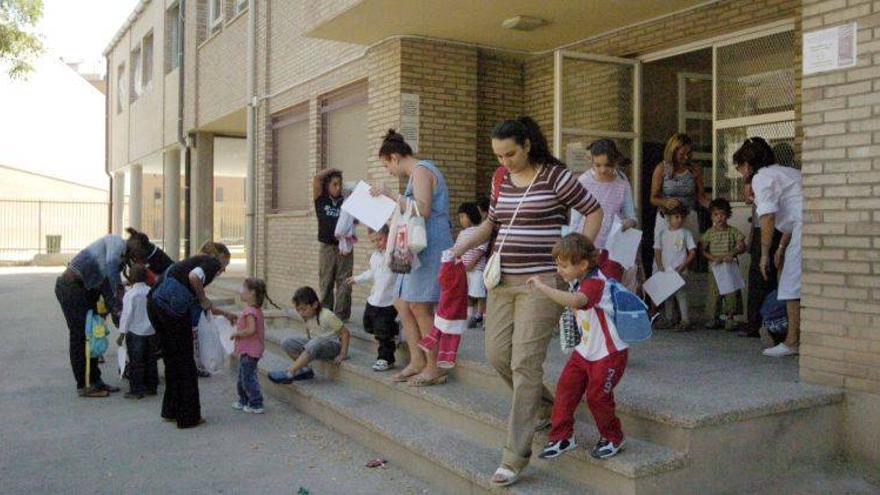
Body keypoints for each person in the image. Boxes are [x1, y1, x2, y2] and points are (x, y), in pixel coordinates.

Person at [450, 117, 603, 487]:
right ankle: (550, 406)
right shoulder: (500, 179)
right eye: (499, 155)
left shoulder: (554, 176)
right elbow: (492, 224)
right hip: (500, 282)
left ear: (528, 144)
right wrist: (462, 244)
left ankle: (514, 456)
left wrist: (579, 257)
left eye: (511, 153)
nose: (505, 162)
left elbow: (593, 210)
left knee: (524, 363)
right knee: (497, 354)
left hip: (541, 284)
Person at [530, 234, 628, 461]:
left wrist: (542, 288)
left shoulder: (595, 282)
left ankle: (613, 437)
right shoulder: (579, 276)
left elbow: (576, 301)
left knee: (597, 396)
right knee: (565, 389)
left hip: (608, 353)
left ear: (582, 265)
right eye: (558, 264)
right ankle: (562, 436)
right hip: (584, 351)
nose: (560, 269)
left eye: (563, 265)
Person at [370, 129, 455, 387]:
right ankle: (418, 360)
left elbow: (423, 209)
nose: (388, 171)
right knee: (401, 302)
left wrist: (391, 195)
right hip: (415, 247)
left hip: (429, 246)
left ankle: (434, 366)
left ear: (395, 157)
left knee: (420, 305)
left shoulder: (421, 171)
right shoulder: (415, 174)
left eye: (387, 165)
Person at [146, 241, 235, 428]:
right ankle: (188, 417)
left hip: (155, 305)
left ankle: (170, 410)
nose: (223, 270)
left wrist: (221, 311)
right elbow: (194, 278)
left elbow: (194, 297)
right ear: (220, 256)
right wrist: (204, 298)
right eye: (225, 264)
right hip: (172, 311)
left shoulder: (191, 260)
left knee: (172, 361)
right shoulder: (211, 263)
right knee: (186, 364)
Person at [734, 137, 802, 357]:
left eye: (740, 167)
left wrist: (764, 254)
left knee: (791, 285)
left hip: (804, 228)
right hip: (809, 226)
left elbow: (768, 217)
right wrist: (781, 247)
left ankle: (793, 341)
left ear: (748, 164)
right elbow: (792, 213)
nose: (741, 172)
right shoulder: (786, 172)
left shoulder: (761, 177)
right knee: (795, 281)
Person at [55, 234, 128, 397]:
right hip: (71, 288)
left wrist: (119, 313)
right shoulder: (116, 243)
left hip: (84, 291)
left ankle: (96, 380)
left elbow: (106, 289)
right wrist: (120, 291)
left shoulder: (108, 260)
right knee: (82, 338)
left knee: (94, 335)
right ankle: (85, 385)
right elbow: (111, 270)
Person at [569, 139, 638, 282]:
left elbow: (632, 217)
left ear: (615, 162)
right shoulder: (583, 181)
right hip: (586, 249)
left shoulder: (622, 184)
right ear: (591, 161)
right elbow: (575, 221)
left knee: (609, 294)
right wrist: (571, 249)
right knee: (586, 295)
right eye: (597, 165)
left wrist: (625, 224)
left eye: (608, 165)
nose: (602, 170)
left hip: (613, 251)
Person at [268, 287, 351, 383]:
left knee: (313, 343)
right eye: (298, 310)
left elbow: (345, 333)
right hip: (316, 344)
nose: (301, 313)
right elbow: (309, 333)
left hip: (333, 346)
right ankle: (306, 370)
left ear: (315, 304)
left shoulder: (327, 315)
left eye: (303, 309)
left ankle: (290, 372)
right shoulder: (307, 316)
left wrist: (343, 353)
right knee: (287, 342)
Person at [649, 133, 709, 268]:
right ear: (673, 151)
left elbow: (701, 197)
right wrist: (665, 202)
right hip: (666, 219)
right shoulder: (662, 168)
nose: (686, 157)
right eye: (682, 154)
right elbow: (653, 198)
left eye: (689, 153)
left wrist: (715, 208)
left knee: (687, 256)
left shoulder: (694, 169)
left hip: (688, 217)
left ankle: (685, 287)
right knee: (664, 255)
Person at [346, 225, 399, 372]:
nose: (377, 244)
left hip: (388, 302)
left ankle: (385, 358)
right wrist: (357, 278)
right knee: (368, 325)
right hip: (374, 299)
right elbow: (372, 272)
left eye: (380, 239)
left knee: (383, 332)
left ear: (389, 236)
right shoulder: (375, 256)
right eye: (373, 241)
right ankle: (394, 331)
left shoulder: (394, 254)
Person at [701, 198, 747, 331]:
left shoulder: (733, 231)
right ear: (711, 216)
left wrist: (732, 253)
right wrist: (712, 258)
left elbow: (743, 246)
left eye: (722, 214)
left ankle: (730, 318)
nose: (719, 218)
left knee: (730, 294)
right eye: (716, 215)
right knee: (714, 294)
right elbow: (703, 250)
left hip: (729, 269)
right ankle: (713, 318)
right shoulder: (709, 233)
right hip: (715, 269)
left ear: (727, 215)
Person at [313, 167, 352, 321]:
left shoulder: (346, 200)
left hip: (345, 247)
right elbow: (317, 179)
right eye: (334, 184)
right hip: (327, 247)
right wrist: (333, 170)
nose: (338, 188)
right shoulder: (321, 199)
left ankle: (341, 315)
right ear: (327, 186)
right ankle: (326, 314)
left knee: (344, 280)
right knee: (326, 280)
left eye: (340, 185)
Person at [231, 278, 274, 414]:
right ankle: (243, 400)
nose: (240, 292)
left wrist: (237, 334)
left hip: (251, 350)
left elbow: (251, 330)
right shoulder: (252, 309)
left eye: (244, 289)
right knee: (243, 376)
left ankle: (256, 403)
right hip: (247, 349)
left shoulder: (251, 311)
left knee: (248, 377)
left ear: (252, 293)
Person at [653, 203, 697, 331]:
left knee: (681, 294)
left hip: (680, 270)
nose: (679, 220)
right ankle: (669, 318)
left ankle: (685, 320)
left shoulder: (685, 233)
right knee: (668, 295)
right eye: (676, 217)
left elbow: (692, 252)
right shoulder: (661, 233)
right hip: (667, 270)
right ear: (668, 217)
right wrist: (660, 266)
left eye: (681, 217)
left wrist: (683, 266)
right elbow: (657, 250)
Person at [117, 263, 158, 399]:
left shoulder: (130, 294)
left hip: (135, 333)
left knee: (136, 361)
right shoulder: (150, 292)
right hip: (151, 332)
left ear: (131, 278)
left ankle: (136, 389)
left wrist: (122, 334)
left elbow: (127, 315)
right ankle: (151, 387)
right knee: (151, 360)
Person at [456, 202, 488, 328]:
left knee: (480, 294)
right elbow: (457, 249)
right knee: (468, 293)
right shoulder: (462, 233)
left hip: (477, 269)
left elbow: (481, 249)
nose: (461, 220)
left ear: (471, 216)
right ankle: (470, 316)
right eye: (460, 217)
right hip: (465, 269)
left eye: (463, 217)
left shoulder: (481, 231)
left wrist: (472, 262)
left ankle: (483, 316)